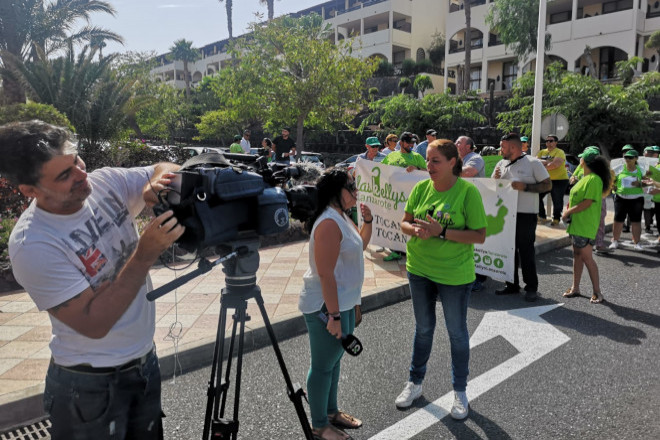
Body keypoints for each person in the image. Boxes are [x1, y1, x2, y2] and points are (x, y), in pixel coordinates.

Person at [1, 120, 185, 439]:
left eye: (77, 161)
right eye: (64, 175)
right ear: (30, 190)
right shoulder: (33, 244)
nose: (81, 175)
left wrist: (156, 182)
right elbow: (94, 323)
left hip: (144, 363)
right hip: (88, 387)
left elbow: (168, 167)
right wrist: (144, 254)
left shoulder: (105, 183)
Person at [395, 139, 487, 420]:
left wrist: (442, 232)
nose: (429, 165)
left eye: (435, 161)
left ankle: (460, 391)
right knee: (423, 329)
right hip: (419, 269)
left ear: (452, 162)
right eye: (427, 160)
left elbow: (479, 235)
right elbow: (404, 222)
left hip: (454, 274)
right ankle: (415, 382)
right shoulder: (421, 188)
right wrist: (416, 230)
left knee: (456, 333)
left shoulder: (468, 192)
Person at [298, 168, 373, 440]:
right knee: (322, 365)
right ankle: (319, 425)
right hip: (325, 306)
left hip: (344, 302)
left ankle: (330, 412)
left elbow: (358, 248)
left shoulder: (342, 216)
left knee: (335, 359)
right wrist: (334, 315)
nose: (355, 191)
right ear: (334, 192)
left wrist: (368, 221)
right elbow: (325, 274)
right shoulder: (328, 222)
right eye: (351, 187)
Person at [492, 133, 552, 301]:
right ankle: (511, 284)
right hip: (505, 214)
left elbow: (548, 185)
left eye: (503, 147)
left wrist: (525, 187)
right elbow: (494, 188)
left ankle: (531, 287)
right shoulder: (501, 164)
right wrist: (495, 179)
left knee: (526, 251)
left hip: (525, 215)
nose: (500, 150)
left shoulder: (533, 163)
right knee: (508, 250)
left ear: (513, 147)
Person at [561, 148, 611, 304]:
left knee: (587, 258)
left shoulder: (594, 179)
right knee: (577, 255)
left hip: (585, 225)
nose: (579, 160)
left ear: (585, 161)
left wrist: (568, 212)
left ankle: (597, 292)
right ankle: (575, 288)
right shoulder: (585, 177)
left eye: (581, 158)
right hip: (577, 224)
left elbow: (587, 202)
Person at [381, 132, 427, 261]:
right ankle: (395, 250)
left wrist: (417, 168)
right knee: (394, 223)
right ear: (401, 143)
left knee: (410, 223)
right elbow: (382, 170)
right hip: (394, 198)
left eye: (413, 143)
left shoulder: (417, 157)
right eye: (409, 143)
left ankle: (410, 251)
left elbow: (427, 173)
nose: (411, 145)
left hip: (411, 199)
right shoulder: (391, 156)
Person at [609, 149, 645, 251]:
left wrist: (640, 184)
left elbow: (649, 182)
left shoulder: (641, 170)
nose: (627, 159)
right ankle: (615, 241)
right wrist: (613, 185)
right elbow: (611, 178)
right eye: (626, 157)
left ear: (636, 159)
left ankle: (637, 243)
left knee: (636, 221)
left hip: (636, 199)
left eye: (630, 157)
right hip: (621, 198)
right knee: (618, 220)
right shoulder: (619, 168)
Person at [536, 134, 568, 226]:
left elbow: (554, 165)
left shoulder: (559, 152)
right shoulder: (542, 152)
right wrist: (548, 162)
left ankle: (556, 218)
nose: (548, 143)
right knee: (536, 196)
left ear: (556, 142)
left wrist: (544, 164)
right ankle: (542, 216)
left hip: (560, 180)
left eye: (551, 141)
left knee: (557, 200)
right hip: (545, 180)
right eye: (547, 141)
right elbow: (535, 163)